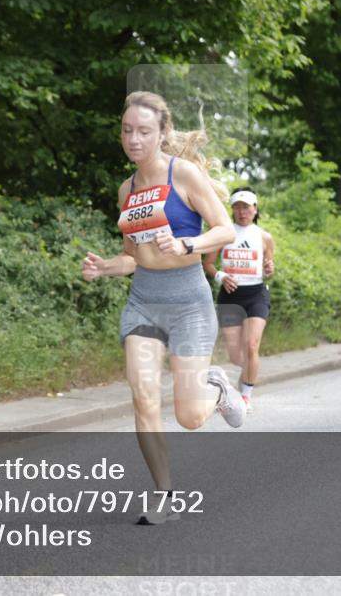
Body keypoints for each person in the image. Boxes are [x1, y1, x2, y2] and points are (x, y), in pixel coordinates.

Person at [81, 91, 243, 525]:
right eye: (127, 130)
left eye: (144, 131)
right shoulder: (127, 190)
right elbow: (133, 257)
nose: (134, 139)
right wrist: (105, 268)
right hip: (144, 303)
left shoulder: (184, 174)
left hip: (188, 301)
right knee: (144, 399)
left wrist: (188, 242)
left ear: (163, 133)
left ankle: (219, 390)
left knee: (189, 416)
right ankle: (163, 494)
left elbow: (225, 230)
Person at [203, 187, 275, 412]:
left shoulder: (264, 237)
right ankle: (242, 378)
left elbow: (269, 268)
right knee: (236, 356)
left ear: (255, 209)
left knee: (252, 346)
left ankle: (245, 395)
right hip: (230, 296)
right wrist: (222, 276)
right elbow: (208, 264)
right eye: (237, 207)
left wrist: (269, 268)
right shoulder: (224, 233)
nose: (242, 211)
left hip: (255, 294)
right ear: (232, 210)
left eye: (246, 207)